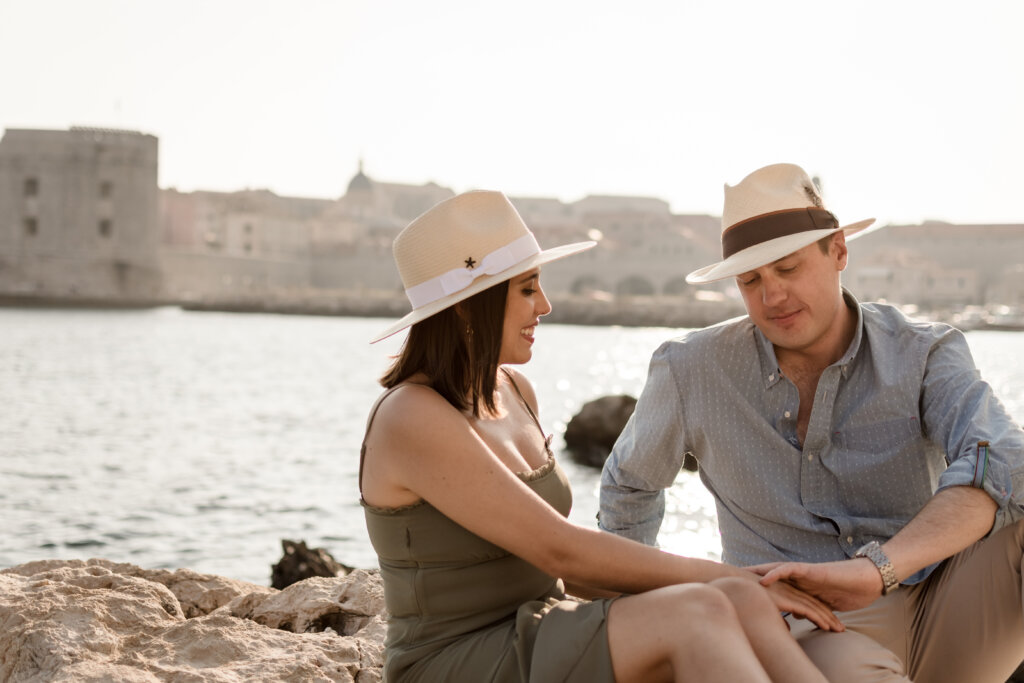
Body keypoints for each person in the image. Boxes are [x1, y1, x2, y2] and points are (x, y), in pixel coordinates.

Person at [360, 190, 839, 683]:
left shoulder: (515, 390)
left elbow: (570, 574)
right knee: (701, 608)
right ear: (466, 309)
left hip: (541, 625)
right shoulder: (411, 417)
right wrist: (725, 575)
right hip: (454, 661)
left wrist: (735, 586)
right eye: (527, 289)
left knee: (734, 598)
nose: (544, 305)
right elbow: (560, 550)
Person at [599, 162, 1024, 682]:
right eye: (750, 280)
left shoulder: (924, 352)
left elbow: (1001, 457)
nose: (771, 295)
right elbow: (629, 489)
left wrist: (878, 568)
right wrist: (666, 614)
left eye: (788, 268)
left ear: (839, 251)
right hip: (803, 625)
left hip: (941, 599)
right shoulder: (691, 369)